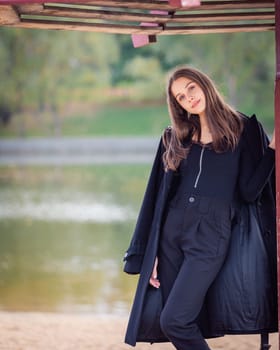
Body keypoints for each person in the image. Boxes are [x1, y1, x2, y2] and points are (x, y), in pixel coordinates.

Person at [123, 66, 277, 350]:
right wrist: (150, 250)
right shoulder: (176, 136)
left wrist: (272, 149)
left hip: (210, 237)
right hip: (171, 236)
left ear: (204, 84)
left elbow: (249, 191)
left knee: (174, 320)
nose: (189, 98)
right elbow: (156, 197)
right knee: (180, 320)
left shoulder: (241, 129)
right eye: (181, 97)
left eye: (191, 88)